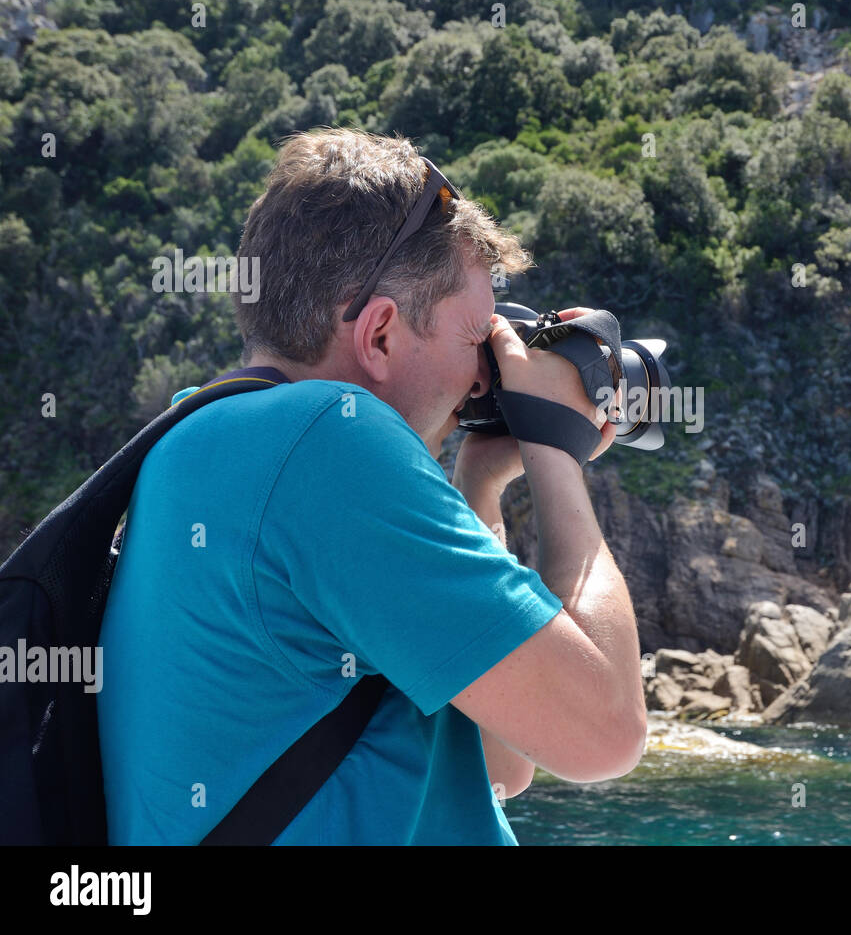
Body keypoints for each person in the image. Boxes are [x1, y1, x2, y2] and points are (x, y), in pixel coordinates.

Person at [96, 128, 647, 844]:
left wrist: (476, 488)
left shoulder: (198, 432)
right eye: (476, 337)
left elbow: (502, 759)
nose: (487, 375)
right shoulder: (328, 439)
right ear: (381, 333)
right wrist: (557, 447)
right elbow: (605, 731)